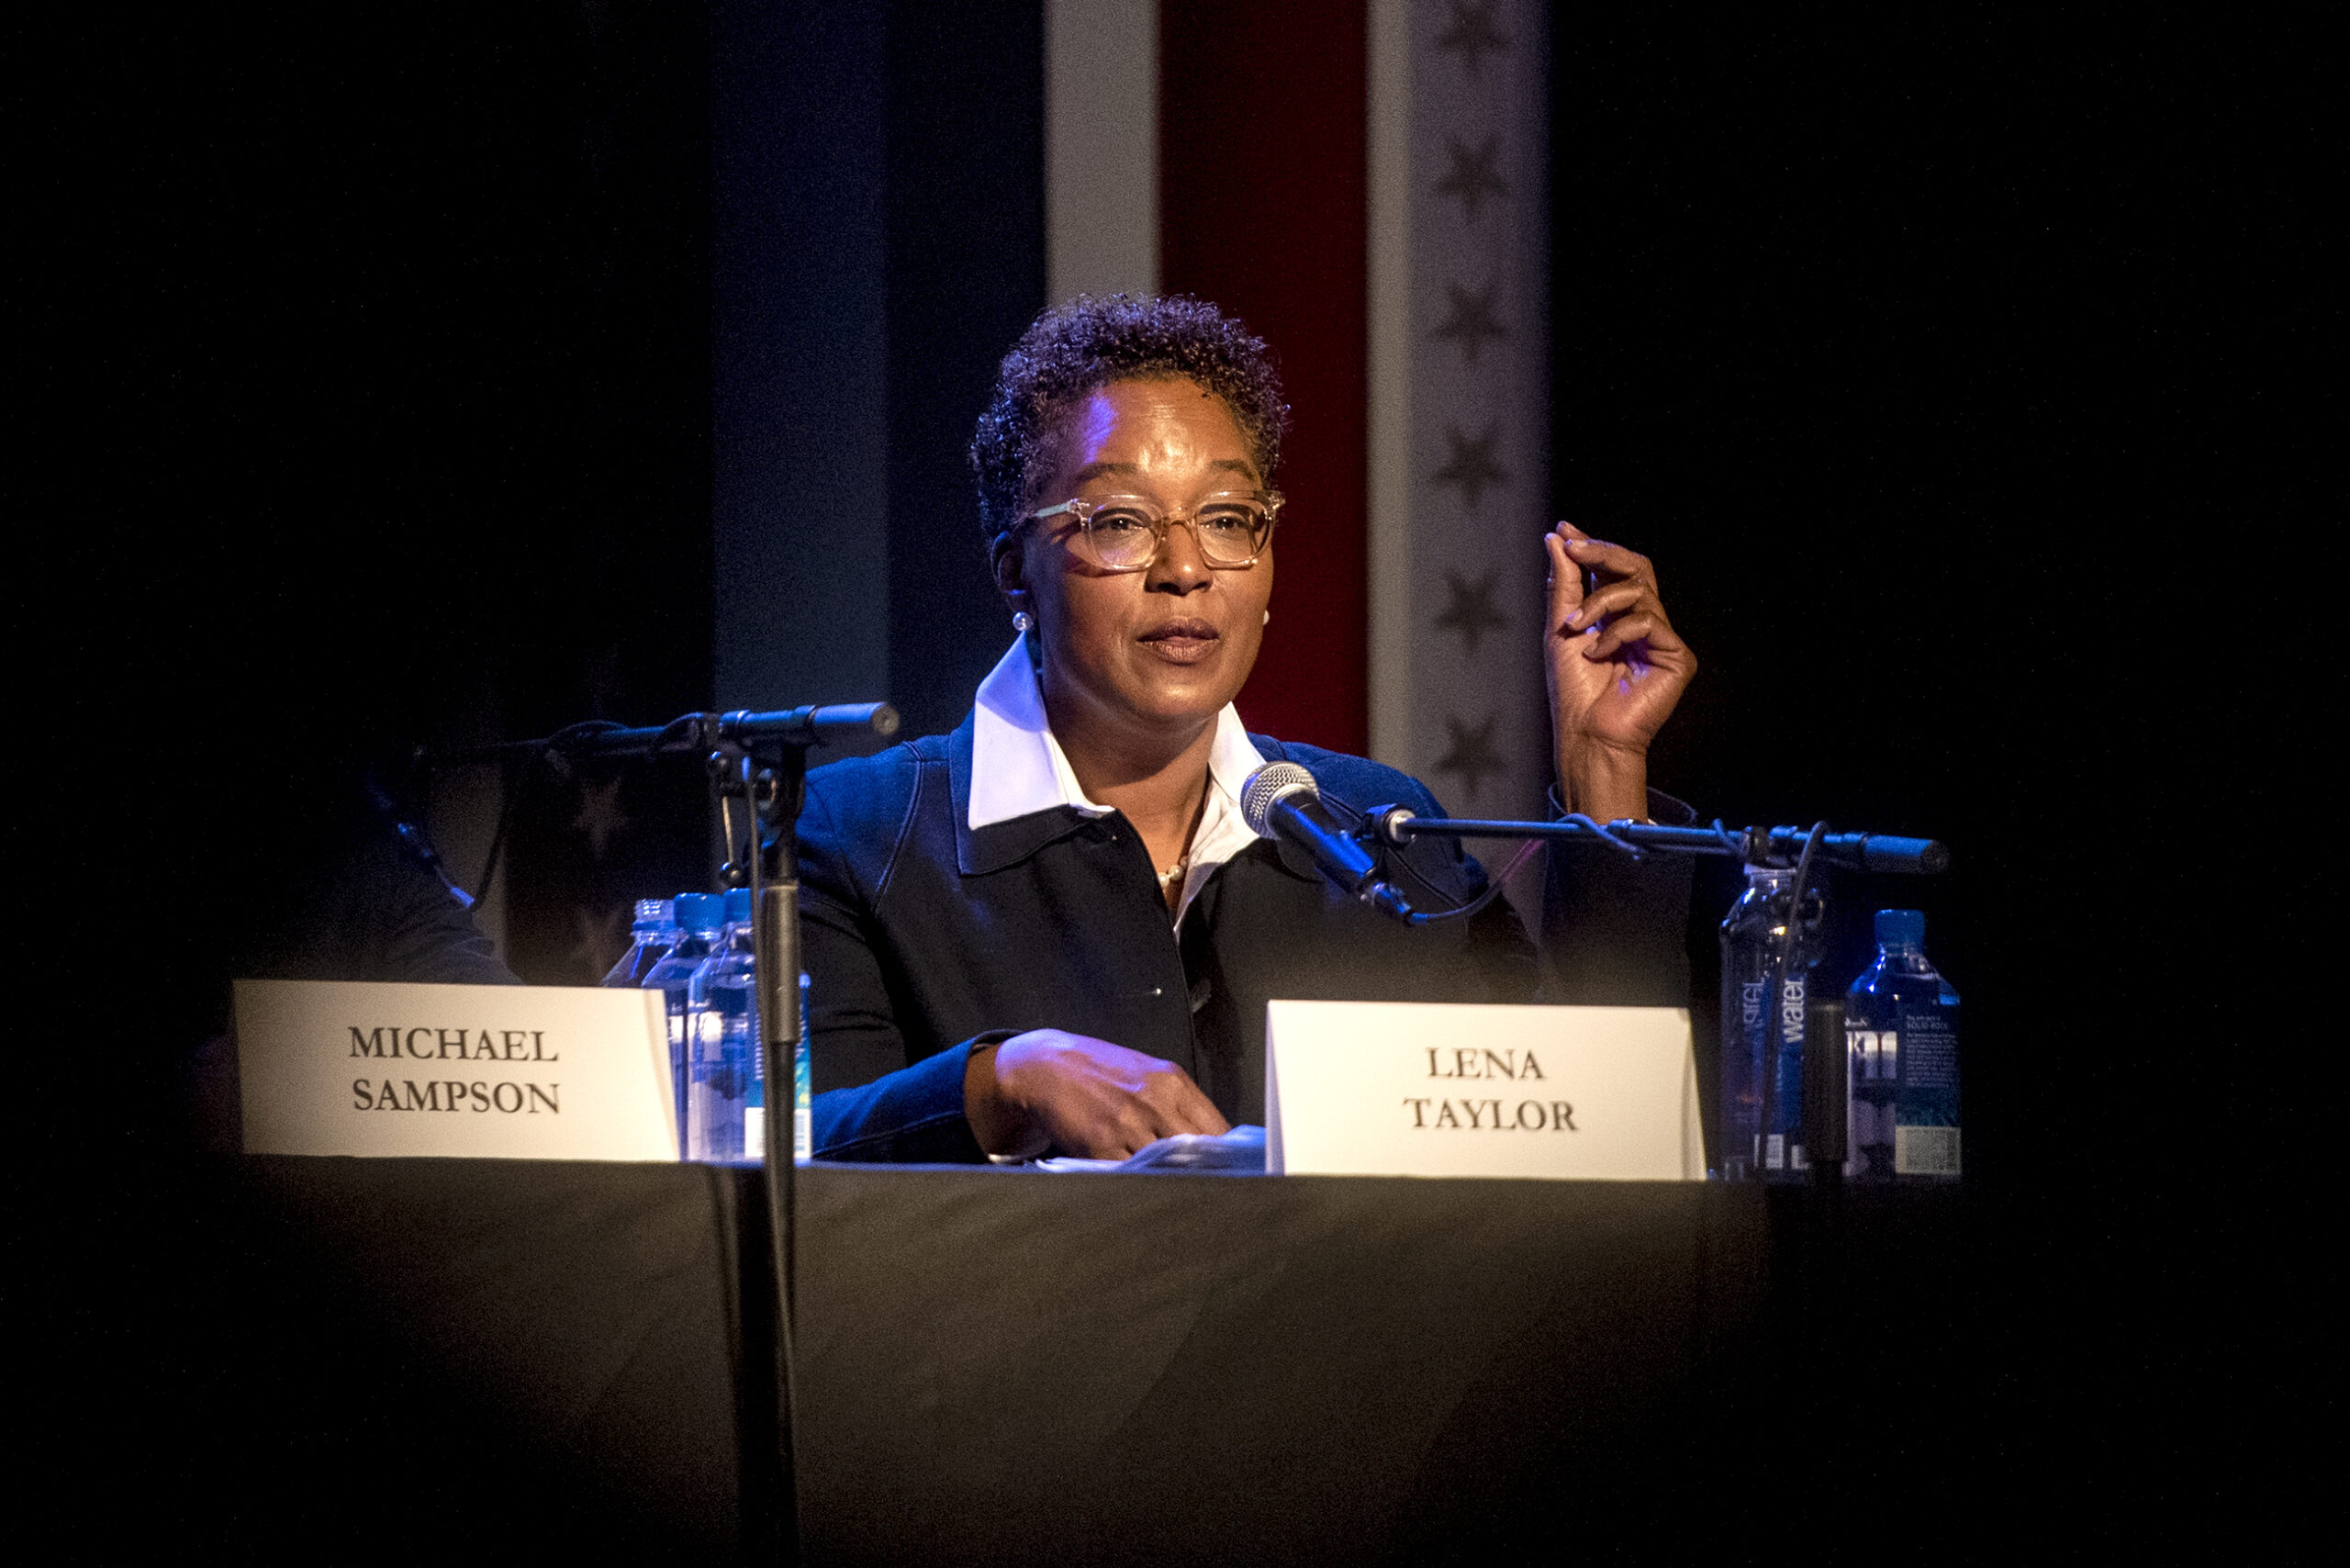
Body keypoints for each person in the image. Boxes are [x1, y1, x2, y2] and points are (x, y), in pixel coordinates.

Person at [799, 295, 1697, 1163]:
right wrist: (999, 1084)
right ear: (1014, 572)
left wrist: (1603, 768)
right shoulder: (855, 835)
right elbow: (760, 1154)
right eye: (1119, 523)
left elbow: (1587, 1129)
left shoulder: (1379, 830)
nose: (1186, 568)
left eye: (1227, 519)